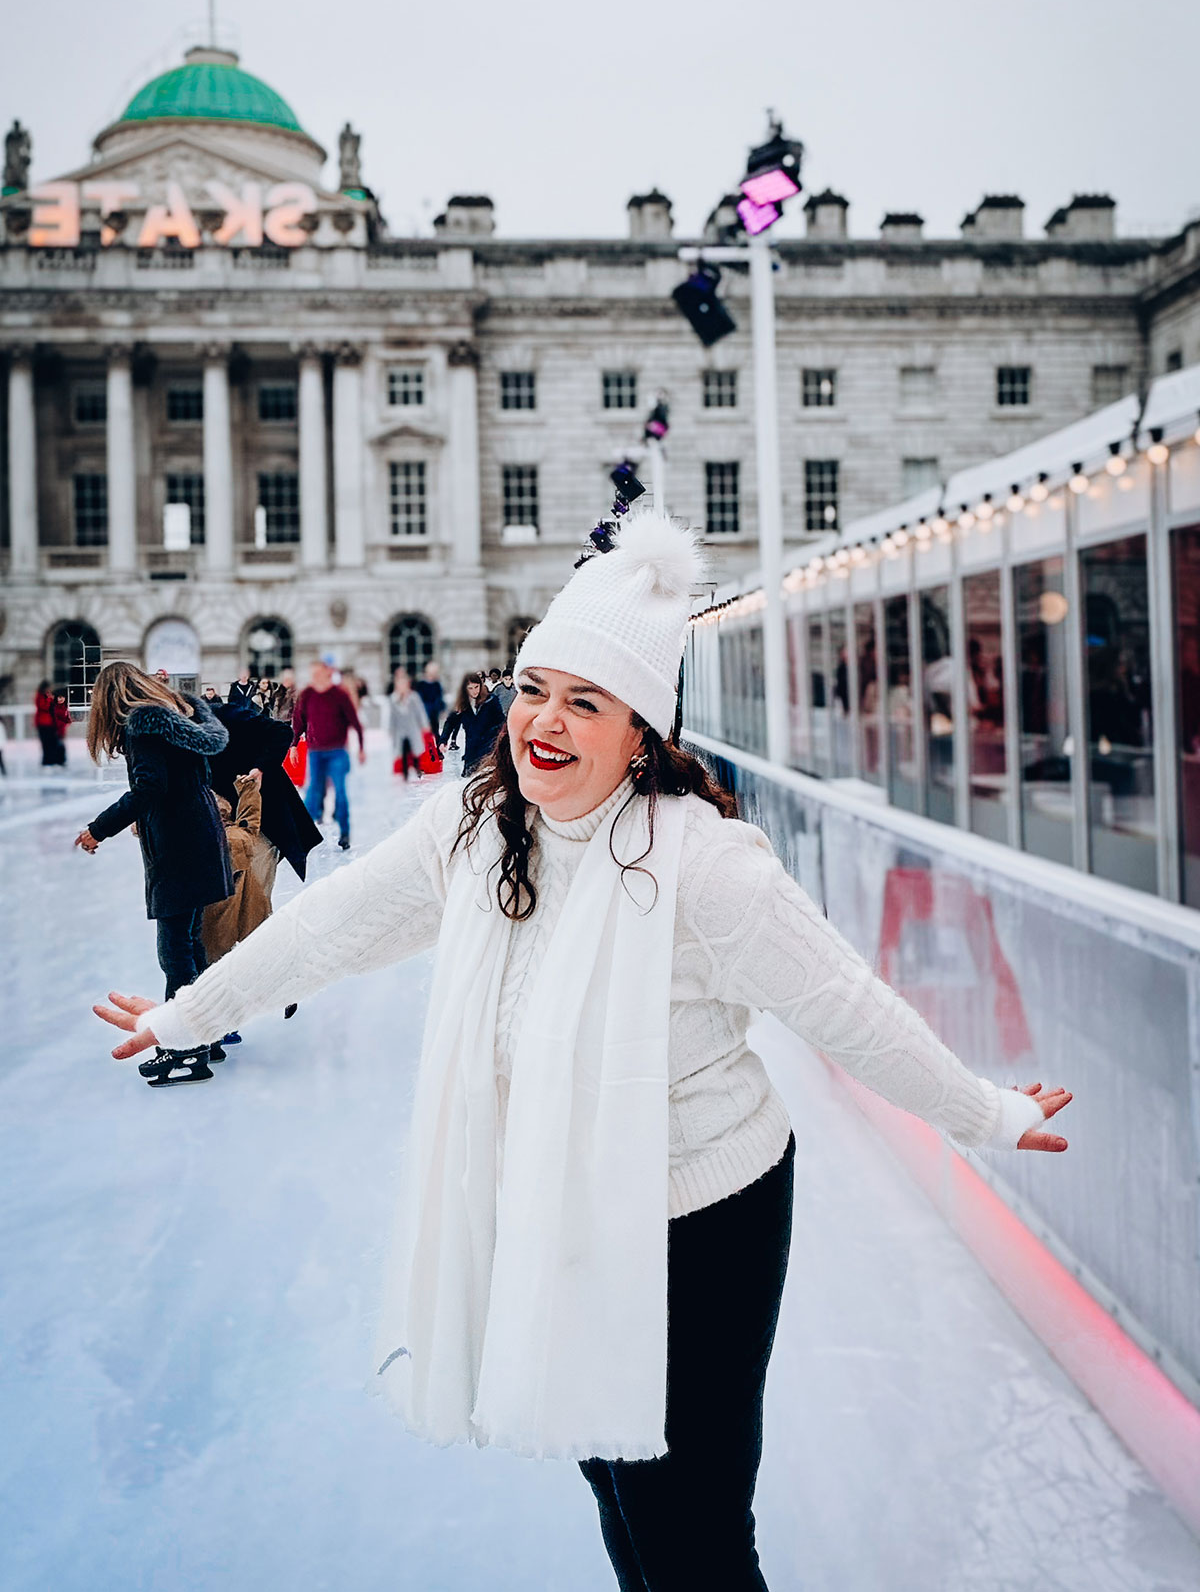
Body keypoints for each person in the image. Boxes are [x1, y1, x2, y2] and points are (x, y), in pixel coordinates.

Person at [95, 513, 1072, 1589]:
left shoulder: (705, 865)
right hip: (557, 1194)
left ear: (642, 732)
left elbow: (846, 1003)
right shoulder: (474, 827)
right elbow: (334, 927)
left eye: (586, 699)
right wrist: (188, 1012)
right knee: (608, 1473)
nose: (544, 721)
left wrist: (989, 1112)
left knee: (688, 1521)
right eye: (534, 687)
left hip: (702, 1215)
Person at [79, 663, 233, 1087]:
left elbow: (150, 787)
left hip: (180, 848)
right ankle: (208, 1034)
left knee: (175, 952)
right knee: (189, 943)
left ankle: (184, 1048)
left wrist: (99, 828)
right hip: (201, 836)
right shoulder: (172, 719)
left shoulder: (142, 726)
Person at [208, 690, 322, 898]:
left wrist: (260, 768)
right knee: (235, 896)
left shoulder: (223, 715)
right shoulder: (177, 740)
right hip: (229, 822)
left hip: (264, 814)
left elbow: (281, 731)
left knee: (255, 893)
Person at [202, 769, 273, 983]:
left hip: (214, 926)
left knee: (214, 958)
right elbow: (250, 819)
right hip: (252, 908)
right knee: (260, 941)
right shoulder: (240, 837)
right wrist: (249, 789)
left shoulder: (200, 845)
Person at [292, 660, 365, 851]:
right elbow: (298, 721)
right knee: (312, 792)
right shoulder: (307, 694)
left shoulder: (338, 695)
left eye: (318, 673)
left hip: (337, 752)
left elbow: (354, 721)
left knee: (340, 791)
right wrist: (293, 745)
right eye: (312, 674)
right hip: (315, 751)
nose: (315, 677)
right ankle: (303, 834)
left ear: (327, 673)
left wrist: (362, 747)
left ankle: (345, 833)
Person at [438, 670, 505, 776]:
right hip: (472, 749)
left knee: (487, 778)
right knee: (470, 779)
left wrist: (494, 734)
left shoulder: (491, 701)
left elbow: (501, 721)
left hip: (489, 747)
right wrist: (443, 740)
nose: (474, 691)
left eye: (476, 687)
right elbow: (450, 722)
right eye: (470, 688)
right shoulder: (461, 705)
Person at [388, 667, 431, 782]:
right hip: (400, 731)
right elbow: (391, 716)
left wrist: (424, 724)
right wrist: (390, 729)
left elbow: (420, 712)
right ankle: (405, 772)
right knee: (403, 750)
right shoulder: (393, 699)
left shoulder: (413, 697)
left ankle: (417, 769)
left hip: (412, 728)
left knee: (415, 750)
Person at [34, 681, 64, 766]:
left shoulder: (47, 696)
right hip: (43, 724)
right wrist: (49, 699)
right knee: (46, 743)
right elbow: (44, 707)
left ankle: (53, 759)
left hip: (51, 723)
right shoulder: (41, 696)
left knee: (52, 742)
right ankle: (47, 760)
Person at [415, 659, 445, 737]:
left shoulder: (437, 684)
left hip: (434, 713)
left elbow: (440, 697)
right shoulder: (421, 684)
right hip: (424, 712)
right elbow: (419, 699)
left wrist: (442, 708)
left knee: (435, 732)